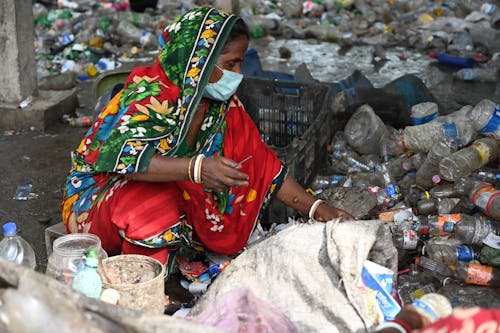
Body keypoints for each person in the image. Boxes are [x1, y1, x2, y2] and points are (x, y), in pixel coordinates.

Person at [61, 7, 353, 275]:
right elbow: (129, 161)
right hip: (100, 200)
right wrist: (197, 170)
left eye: (240, 64)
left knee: (220, 189)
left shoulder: (223, 107)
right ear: (199, 61)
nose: (238, 74)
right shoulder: (150, 94)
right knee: (157, 204)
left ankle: (167, 255)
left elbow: (263, 166)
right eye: (231, 64)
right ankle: (138, 280)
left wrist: (317, 209)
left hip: (166, 194)